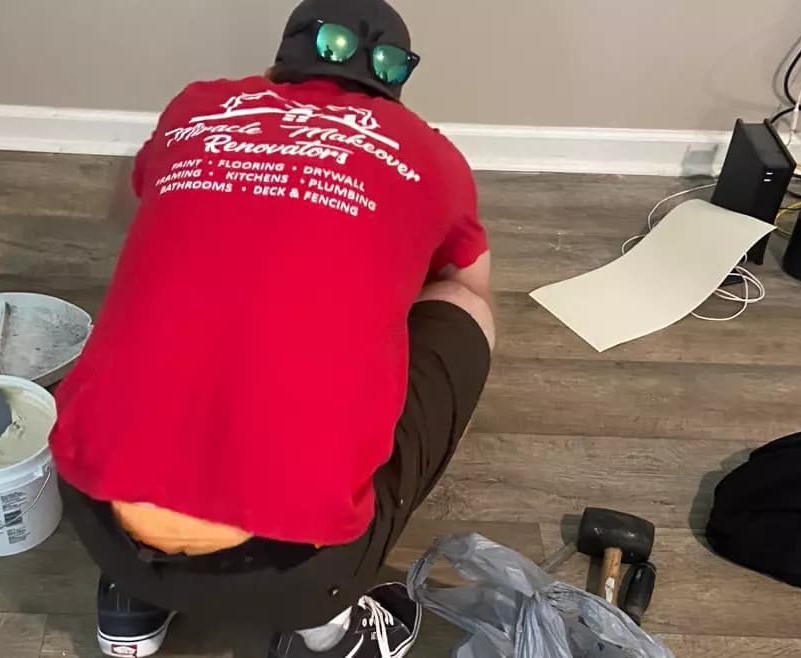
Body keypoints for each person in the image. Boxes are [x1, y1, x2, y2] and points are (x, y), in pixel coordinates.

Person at [49, 0, 494, 656]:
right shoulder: (430, 152)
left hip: (94, 511)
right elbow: (467, 277)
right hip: (294, 567)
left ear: (275, 67)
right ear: (395, 87)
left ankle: (132, 596)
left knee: (166, 313)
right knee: (464, 306)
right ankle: (330, 629)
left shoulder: (198, 105)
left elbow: (133, 199)